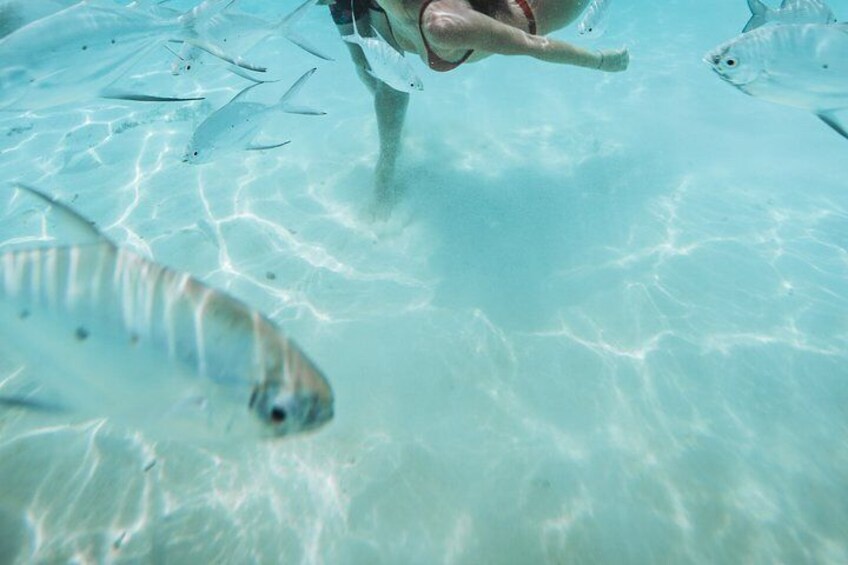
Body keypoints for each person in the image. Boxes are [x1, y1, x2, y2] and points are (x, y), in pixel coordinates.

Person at [326, 0, 629, 217]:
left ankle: (385, 170)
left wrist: (601, 61)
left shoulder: (442, 24)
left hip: (541, 9)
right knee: (376, 73)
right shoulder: (375, 8)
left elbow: (534, 45)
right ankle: (388, 166)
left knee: (388, 80)